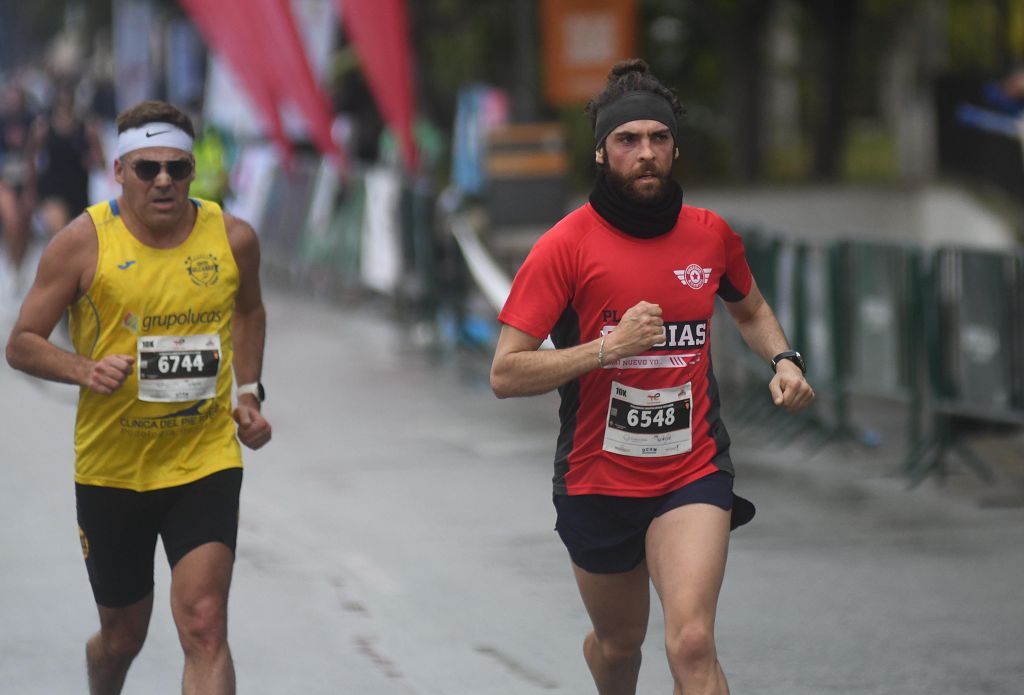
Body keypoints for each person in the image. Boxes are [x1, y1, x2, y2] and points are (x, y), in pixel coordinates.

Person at [490, 59, 814, 695]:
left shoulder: (710, 236)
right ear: (602, 152)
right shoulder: (564, 246)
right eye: (628, 140)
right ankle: (610, 663)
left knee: (692, 643)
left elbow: (749, 307)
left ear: (675, 147)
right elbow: (506, 371)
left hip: (690, 468)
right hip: (596, 476)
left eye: (658, 139)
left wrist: (783, 360)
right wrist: (607, 348)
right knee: (620, 648)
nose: (646, 154)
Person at [5, 99, 271, 695]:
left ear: (191, 172)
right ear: (119, 170)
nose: (163, 182)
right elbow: (20, 343)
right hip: (112, 469)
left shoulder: (232, 239)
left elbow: (250, 310)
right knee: (123, 635)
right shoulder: (80, 244)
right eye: (148, 168)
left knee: (204, 626)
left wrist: (249, 394)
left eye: (177, 169)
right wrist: (83, 368)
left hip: (202, 457)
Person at [29, 82, 105, 237]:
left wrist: (92, 154)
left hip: (78, 189)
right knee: (60, 233)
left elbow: (101, 162)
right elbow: (30, 158)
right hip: (53, 189)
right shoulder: (44, 128)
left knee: (78, 239)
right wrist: (31, 190)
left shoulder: (86, 128)